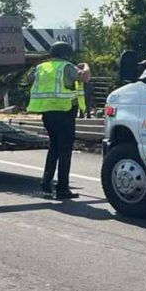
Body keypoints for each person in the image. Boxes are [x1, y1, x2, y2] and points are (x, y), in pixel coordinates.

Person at [27, 42, 89, 199]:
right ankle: (62, 188)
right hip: (65, 112)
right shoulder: (67, 66)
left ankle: (46, 183)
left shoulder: (42, 67)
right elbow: (85, 77)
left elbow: (30, 78)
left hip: (47, 113)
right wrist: (86, 66)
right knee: (64, 151)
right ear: (66, 54)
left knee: (53, 148)